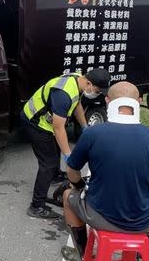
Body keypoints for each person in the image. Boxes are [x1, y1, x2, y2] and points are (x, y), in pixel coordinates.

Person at [60, 81, 149, 261]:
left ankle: (84, 256)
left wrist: (80, 185)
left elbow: (72, 170)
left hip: (101, 216)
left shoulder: (93, 134)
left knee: (68, 195)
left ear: (107, 101)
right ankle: (138, 257)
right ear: (138, 101)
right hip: (141, 223)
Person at [22, 68, 111, 219]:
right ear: (89, 82)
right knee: (48, 163)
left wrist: (85, 127)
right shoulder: (63, 94)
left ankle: (55, 175)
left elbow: (76, 105)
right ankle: (36, 205)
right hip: (35, 122)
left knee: (55, 149)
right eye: (97, 90)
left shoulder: (78, 81)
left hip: (48, 123)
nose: (98, 94)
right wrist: (68, 155)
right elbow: (58, 129)